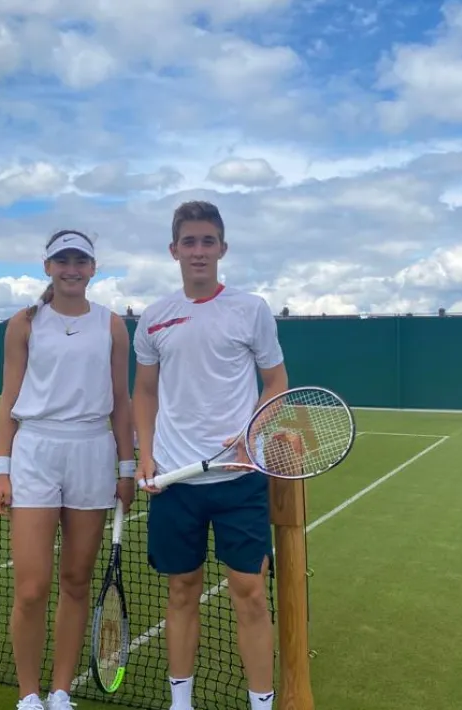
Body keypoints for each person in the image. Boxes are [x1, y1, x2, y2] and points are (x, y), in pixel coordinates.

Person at [132, 201, 289, 710]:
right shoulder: (153, 319)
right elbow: (146, 393)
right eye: (189, 242)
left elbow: (276, 382)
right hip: (176, 481)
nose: (198, 251)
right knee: (181, 590)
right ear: (173, 250)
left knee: (249, 591)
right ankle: (182, 703)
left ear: (222, 248)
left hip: (240, 476)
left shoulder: (251, 309)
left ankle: (261, 704)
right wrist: (147, 455)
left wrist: (249, 436)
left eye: (208, 241)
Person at [0, 229, 137, 710]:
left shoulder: (112, 324)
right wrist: (2, 470)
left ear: (93, 268)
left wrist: (126, 466)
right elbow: (9, 399)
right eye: (62, 260)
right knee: (32, 588)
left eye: (80, 260)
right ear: (47, 266)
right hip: (35, 453)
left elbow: (121, 398)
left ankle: (60, 692)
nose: (72, 268)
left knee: (76, 581)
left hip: (92, 454)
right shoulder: (25, 323)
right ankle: (28, 695)